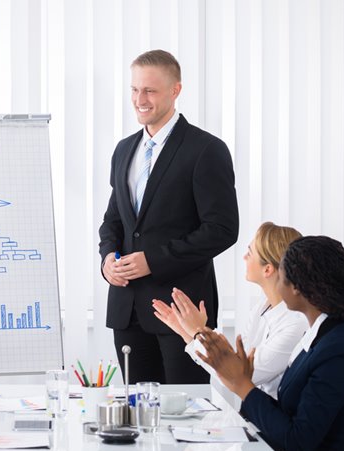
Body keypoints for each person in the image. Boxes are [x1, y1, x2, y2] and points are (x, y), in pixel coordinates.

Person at [196, 236, 344, 451]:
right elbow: (291, 414)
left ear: (299, 288)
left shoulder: (340, 348)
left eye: (282, 277)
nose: (277, 284)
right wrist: (243, 386)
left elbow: (299, 439)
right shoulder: (319, 334)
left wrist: (245, 387)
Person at [98, 49, 239, 384]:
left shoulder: (206, 149)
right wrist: (107, 260)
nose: (139, 99)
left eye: (150, 90)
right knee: (137, 413)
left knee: (185, 415)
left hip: (182, 311)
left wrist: (154, 261)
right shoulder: (123, 149)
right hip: (127, 308)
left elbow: (221, 229)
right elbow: (114, 220)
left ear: (175, 90)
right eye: (134, 89)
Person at [152, 222, 308, 398]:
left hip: (273, 418)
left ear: (268, 269)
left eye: (249, 253)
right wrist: (187, 334)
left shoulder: (296, 323)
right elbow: (235, 364)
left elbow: (241, 375)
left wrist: (198, 332)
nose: (244, 257)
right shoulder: (261, 308)